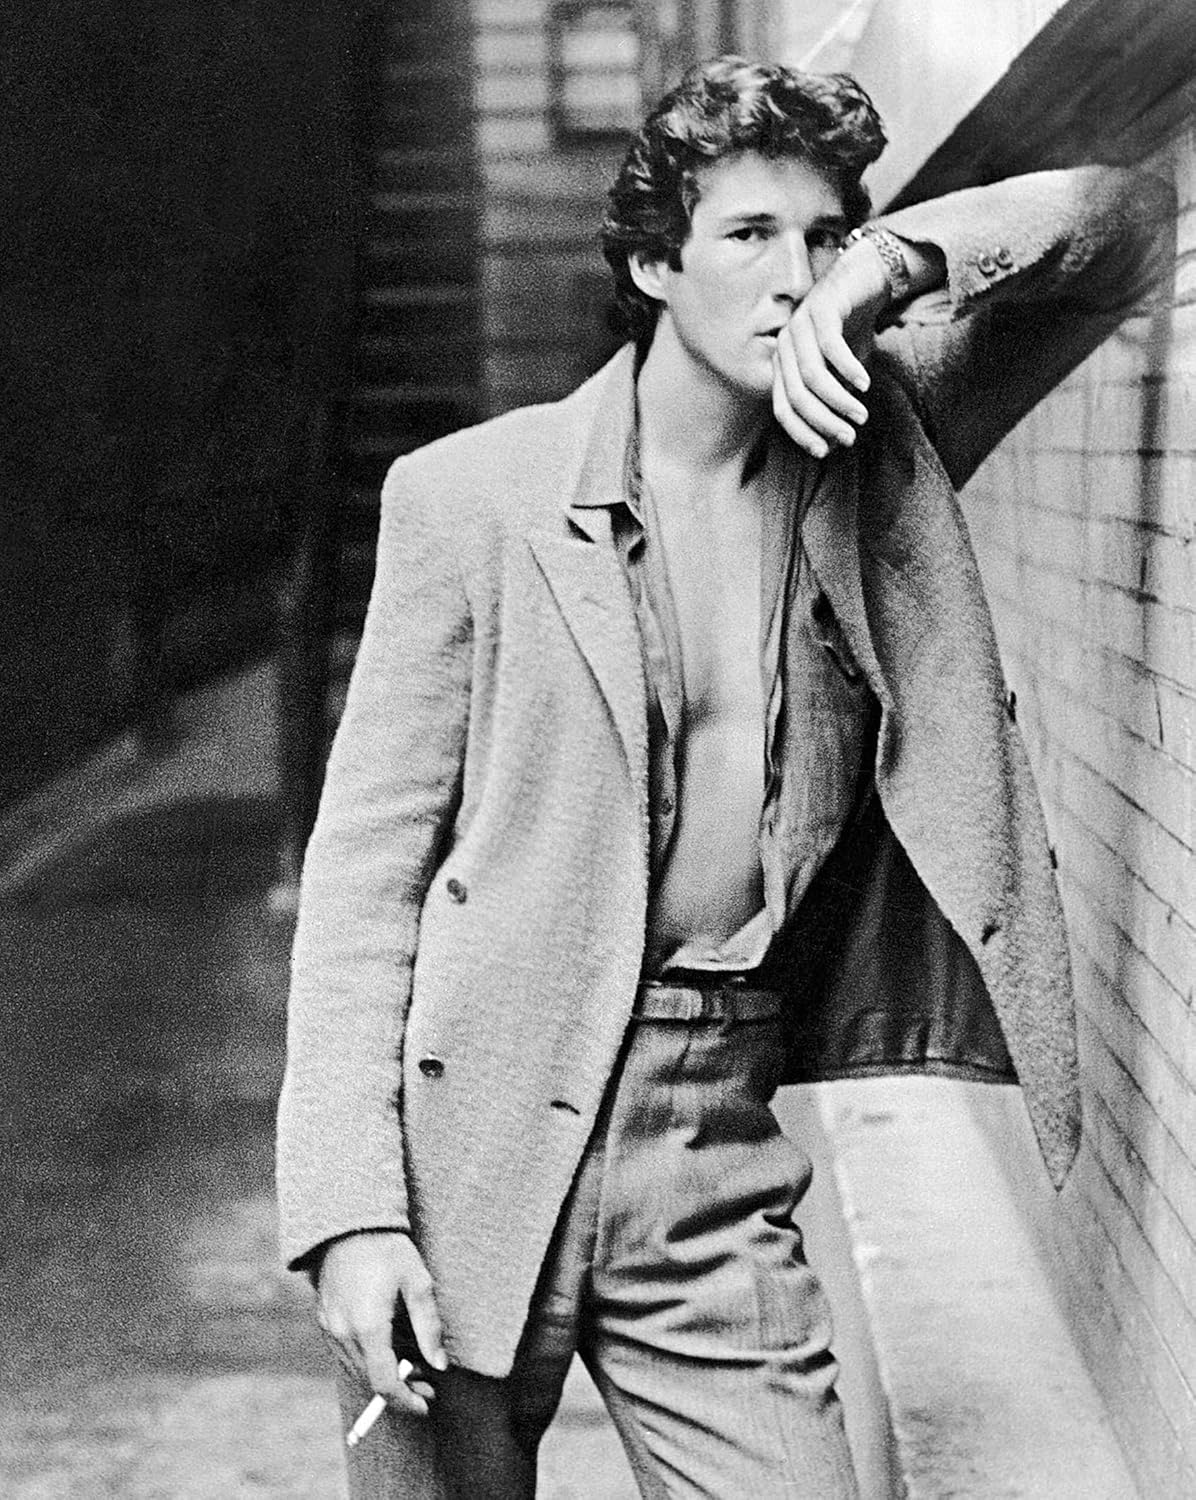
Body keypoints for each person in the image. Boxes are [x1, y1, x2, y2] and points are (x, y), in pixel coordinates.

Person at [277, 56, 1170, 1498]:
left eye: (822, 235)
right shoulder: (468, 499)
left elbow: (1123, 226)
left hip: (710, 1137)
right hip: (469, 1140)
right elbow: (365, 877)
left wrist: (895, 264)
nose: (793, 277)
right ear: (653, 264)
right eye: (749, 235)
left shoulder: (878, 441)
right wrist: (350, 1214)